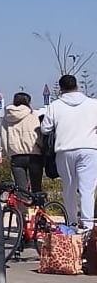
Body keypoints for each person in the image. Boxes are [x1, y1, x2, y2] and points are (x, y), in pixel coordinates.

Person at [41, 74, 97, 229]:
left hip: (65, 150)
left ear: (61, 89)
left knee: (69, 188)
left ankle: (72, 223)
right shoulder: (93, 104)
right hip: (89, 149)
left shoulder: (55, 105)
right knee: (87, 189)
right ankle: (88, 226)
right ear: (77, 86)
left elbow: (45, 128)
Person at [1, 92, 44, 194]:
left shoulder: (7, 118)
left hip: (16, 156)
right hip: (34, 154)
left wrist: (9, 152)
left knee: (21, 189)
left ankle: (22, 209)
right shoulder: (33, 116)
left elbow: (3, 138)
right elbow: (38, 136)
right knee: (36, 188)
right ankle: (39, 208)